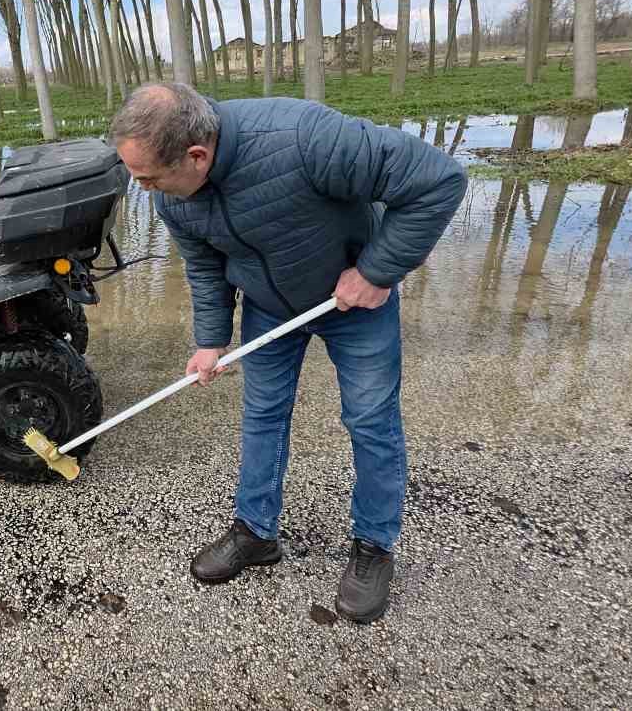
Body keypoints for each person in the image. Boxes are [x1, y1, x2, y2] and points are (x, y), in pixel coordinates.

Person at [110, 83, 466, 624]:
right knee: (263, 415)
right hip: (270, 307)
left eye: (150, 177)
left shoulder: (305, 138)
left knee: (370, 420)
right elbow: (205, 265)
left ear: (196, 156)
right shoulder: (172, 197)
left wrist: (376, 271)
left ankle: (373, 547)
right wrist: (210, 340)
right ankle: (256, 533)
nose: (144, 190)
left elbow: (438, 181)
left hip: (355, 303)